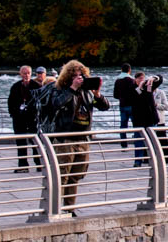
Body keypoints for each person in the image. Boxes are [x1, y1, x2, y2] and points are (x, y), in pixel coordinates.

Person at [37, 59, 110, 212]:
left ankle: (69, 208)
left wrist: (98, 94)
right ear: (68, 77)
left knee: (76, 175)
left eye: (81, 75)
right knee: (62, 175)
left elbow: (105, 107)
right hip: (65, 138)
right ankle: (54, 208)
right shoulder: (59, 89)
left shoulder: (87, 92)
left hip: (83, 138)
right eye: (76, 76)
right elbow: (55, 104)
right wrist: (72, 89)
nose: (79, 78)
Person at [8, 65, 41, 172]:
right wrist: (14, 114)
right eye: (24, 73)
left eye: (28, 73)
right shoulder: (15, 86)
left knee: (36, 142)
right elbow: (10, 102)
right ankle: (23, 165)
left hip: (33, 118)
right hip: (19, 119)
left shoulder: (37, 86)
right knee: (20, 142)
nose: (26, 75)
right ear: (20, 74)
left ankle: (39, 164)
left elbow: (41, 102)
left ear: (31, 74)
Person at [112, 63, 135, 145]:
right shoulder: (132, 80)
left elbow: (115, 95)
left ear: (121, 70)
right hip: (132, 106)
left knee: (123, 126)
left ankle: (124, 144)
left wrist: (122, 97)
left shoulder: (118, 80)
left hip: (122, 105)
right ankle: (137, 142)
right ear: (129, 70)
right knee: (136, 125)